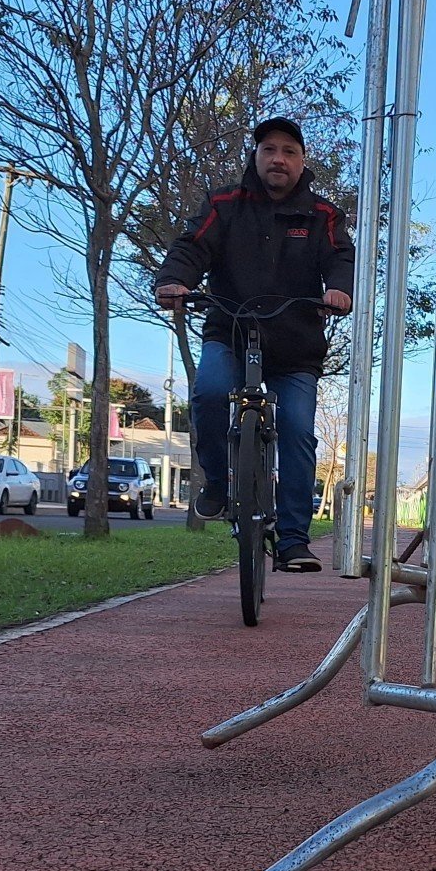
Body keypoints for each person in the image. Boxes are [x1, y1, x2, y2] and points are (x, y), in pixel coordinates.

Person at [154, 117, 355, 573]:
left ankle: (292, 540)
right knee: (208, 390)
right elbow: (191, 246)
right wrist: (174, 280)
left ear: (302, 162)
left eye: (288, 151)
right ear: (256, 156)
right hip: (231, 328)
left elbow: (341, 256)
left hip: (295, 344)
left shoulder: (322, 215)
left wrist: (339, 288)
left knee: (299, 431)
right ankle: (218, 487)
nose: (278, 159)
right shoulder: (224, 203)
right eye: (269, 150)